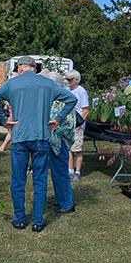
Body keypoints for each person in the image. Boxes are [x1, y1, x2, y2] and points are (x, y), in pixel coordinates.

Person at [0, 56, 77, 233]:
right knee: (39, 180)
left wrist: (5, 120)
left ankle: (19, 218)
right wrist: (57, 120)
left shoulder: (12, 84)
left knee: (18, 180)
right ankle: (37, 221)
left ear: (21, 67)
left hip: (20, 138)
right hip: (41, 137)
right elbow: (71, 100)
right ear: (34, 68)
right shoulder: (47, 84)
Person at [44, 71, 76, 213]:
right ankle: (61, 199)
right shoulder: (53, 99)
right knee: (56, 173)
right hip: (51, 141)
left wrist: (53, 129)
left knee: (61, 173)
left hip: (59, 142)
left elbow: (69, 124)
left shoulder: (63, 99)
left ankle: (67, 203)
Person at [65, 70, 90, 181]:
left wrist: (79, 124)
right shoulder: (67, 90)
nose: (68, 81)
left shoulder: (81, 91)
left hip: (78, 124)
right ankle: (70, 170)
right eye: (67, 79)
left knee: (78, 149)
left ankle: (78, 172)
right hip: (68, 123)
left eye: (69, 79)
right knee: (69, 148)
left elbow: (85, 110)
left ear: (76, 80)